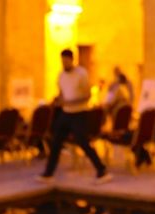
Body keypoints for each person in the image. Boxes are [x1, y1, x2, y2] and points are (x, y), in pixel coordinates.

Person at [39, 49, 111, 183]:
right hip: (66, 113)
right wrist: (57, 100)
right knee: (56, 141)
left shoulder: (81, 74)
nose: (64, 64)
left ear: (72, 60)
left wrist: (70, 102)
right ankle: (48, 173)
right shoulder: (61, 75)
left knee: (82, 142)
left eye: (66, 61)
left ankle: (102, 170)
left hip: (79, 113)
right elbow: (62, 93)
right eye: (62, 61)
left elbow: (87, 96)